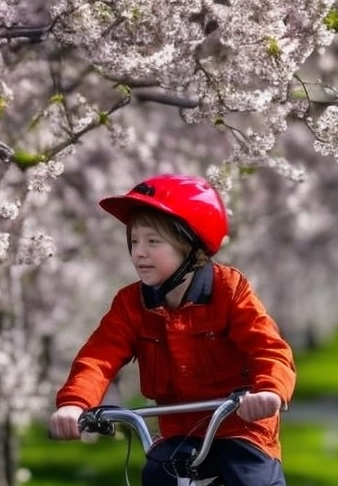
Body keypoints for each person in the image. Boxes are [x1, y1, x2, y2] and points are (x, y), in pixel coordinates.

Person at [49, 174, 296, 486]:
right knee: (157, 475)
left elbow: (269, 348)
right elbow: (98, 357)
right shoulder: (130, 304)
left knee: (250, 480)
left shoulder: (229, 290)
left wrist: (269, 391)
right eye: (134, 241)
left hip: (242, 429)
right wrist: (74, 404)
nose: (139, 252)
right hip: (179, 433)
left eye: (153, 241)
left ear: (192, 248)